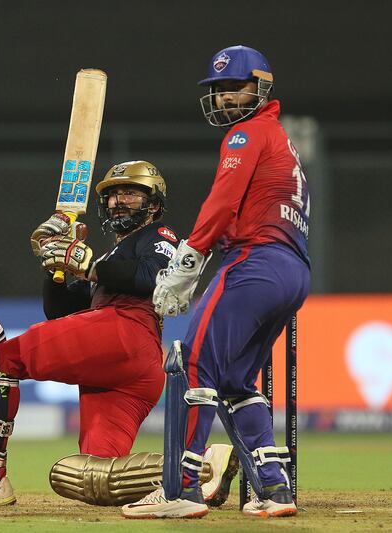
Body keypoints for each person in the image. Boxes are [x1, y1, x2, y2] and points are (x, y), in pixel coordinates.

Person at [0, 161, 237, 507]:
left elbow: (152, 279)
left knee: (1, 360)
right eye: (112, 195)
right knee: (94, 476)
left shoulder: (160, 237)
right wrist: (55, 267)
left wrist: (85, 262)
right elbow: (59, 310)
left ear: (153, 205)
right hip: (127, 363)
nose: (119, 201)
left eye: (130, 194)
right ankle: (202, 466)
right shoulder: (112, 255)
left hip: (126, 332)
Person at [121, 45, 311, 519]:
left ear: (261, 87)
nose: (225, 99)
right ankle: (273, 488)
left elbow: (223, 201)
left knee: (193, 367)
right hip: (292, 271)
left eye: (234, 88)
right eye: (219, 91)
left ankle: (180, 490)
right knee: (236, 379)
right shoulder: (281, 140)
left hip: (253, 263)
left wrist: (189, 259)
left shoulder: (247, 135)